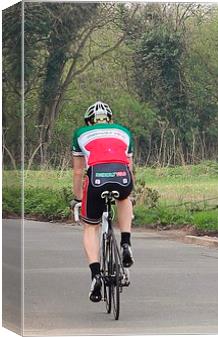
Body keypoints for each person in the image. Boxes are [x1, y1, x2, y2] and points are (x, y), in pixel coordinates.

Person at [69, 101, 135, 303]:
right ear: (110, 120)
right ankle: (125, 243)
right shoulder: (124, 132)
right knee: (125, 198)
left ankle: (96, 274)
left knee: (90, 227)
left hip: (96, 179)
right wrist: (129, 191)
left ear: (89, 121)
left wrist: (78, 198)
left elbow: (79, 171)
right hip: (122, 175)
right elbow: (130, 167)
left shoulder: (81, 133)